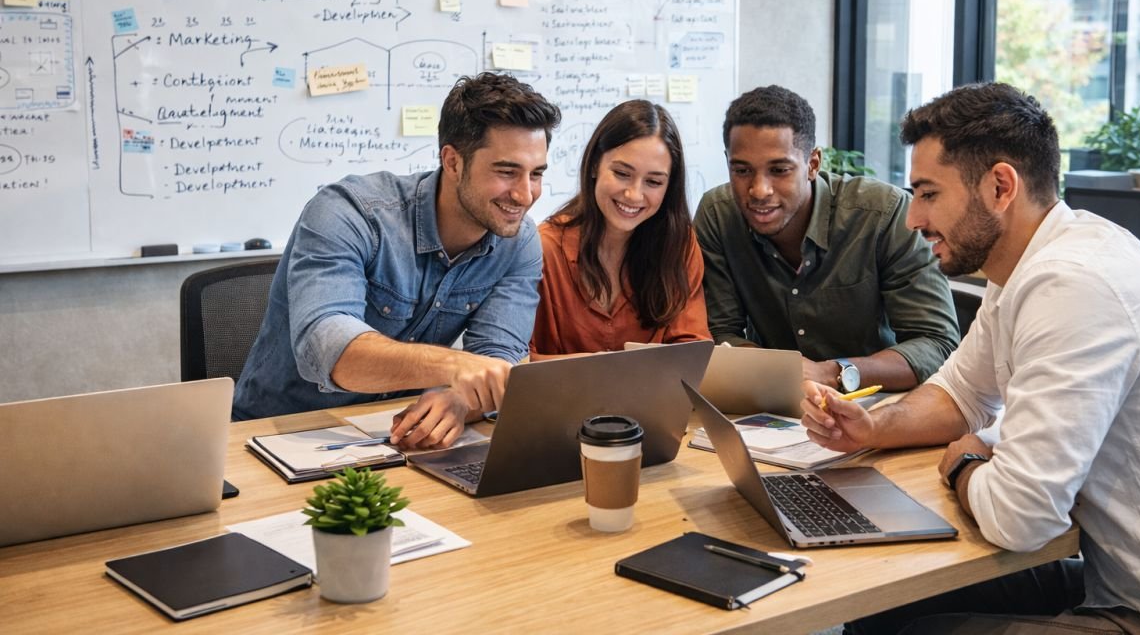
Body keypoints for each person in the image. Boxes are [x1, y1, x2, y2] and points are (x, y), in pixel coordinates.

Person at [803, 82, 1140, 634]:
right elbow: (961, 394)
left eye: (928, 193)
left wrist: (964, 462)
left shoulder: (1073, 285)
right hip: (1116, 578)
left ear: (999, 186)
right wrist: (872, 427)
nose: (913, 218)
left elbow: (1021, 518)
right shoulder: (1027, 264)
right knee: (878, 611)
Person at [233, 72, 562, 451]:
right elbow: (328, 348)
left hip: (397, 437)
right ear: (452, 162)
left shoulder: (517, 241)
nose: (524, 195)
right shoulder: (348, 212)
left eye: (536, 174)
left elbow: (498, 359)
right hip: (281, 434)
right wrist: (455, 368)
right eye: (506, 172)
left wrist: (461, 399)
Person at [694, 85, 959, 391]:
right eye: (741, 170)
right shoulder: (718, 215)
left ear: (813, 164)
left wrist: (832, 372)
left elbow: (936, 344)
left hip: (873, 403)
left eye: (779, 170)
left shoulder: (883, 215)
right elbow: (718, 333)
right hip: (771, 406)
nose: (759, 190)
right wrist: (780, 374)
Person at [530, 99, 710, 356]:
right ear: (594, 165)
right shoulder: (543, 249)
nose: (634, 195)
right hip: (561, 397)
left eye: (654, 182)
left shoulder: (678, 245)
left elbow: (691, 352)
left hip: (655, 397)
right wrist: (596, 370)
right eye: (622, 174)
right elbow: (514, 363)